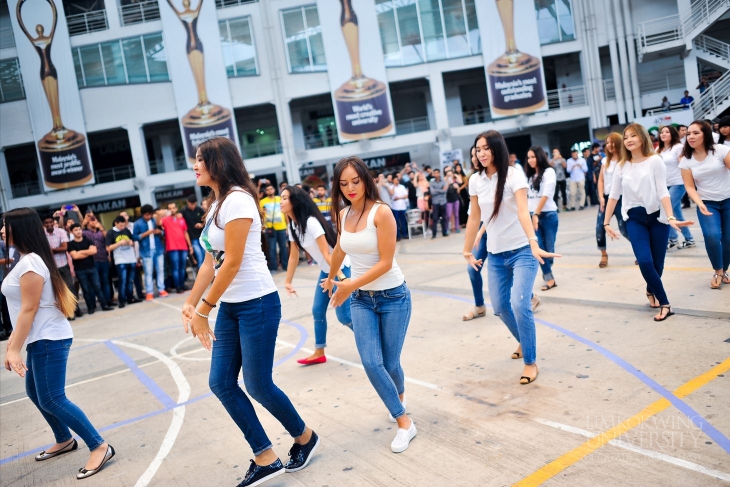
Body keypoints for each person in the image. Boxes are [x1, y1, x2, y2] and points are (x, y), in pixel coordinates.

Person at [185, 137, 318, 486]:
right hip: (231, 305)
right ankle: (265, 456)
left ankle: (304, 437)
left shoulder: (239, 201)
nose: (195, 166)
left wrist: (203, 310)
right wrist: (191, 302)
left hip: (257, 302)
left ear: (218, 163)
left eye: (200, 160)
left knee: (258, 384)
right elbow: (210, 263)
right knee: (221, 383)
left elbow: (232, 263)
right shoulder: (215, 205)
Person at [2, 208, 115, 480]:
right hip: (40, 338)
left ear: (21, 228)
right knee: (35, 393)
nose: (1, 231)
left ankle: (99, 445)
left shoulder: (30, 263)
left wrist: (12, 348)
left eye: (5, 225)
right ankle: (64, 438)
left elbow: (28, 309)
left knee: (52, 397)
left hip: (49, 338)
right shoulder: (27, 259)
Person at [323, 155, 416, 453]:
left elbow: (387, 263)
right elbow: (340, 247)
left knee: (390, 364)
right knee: (371, 362)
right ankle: (405, 422)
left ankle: (398, 397)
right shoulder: (342, 214)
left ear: (366, 179)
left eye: (355, 181)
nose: (350, 188)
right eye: (343, 183)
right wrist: (330, 277)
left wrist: (350, 283)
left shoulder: (382, 213)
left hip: (393, 298)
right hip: (362, 300)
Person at [462, 131, 559, 385]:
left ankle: (530, 361)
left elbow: (523, 212)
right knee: (501, 307)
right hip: (495, 255)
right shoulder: (475, 180)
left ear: (496, 149)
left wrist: (533, 243)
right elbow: (475, 216)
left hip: (522, 252)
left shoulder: (514, 175)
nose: (481, 153)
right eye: (477, 149)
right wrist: (466, 249)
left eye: (485, 148)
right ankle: (524, 339)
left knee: (519, 304)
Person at [604, 123, 693, 321]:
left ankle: (650, 289)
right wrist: (606, 222)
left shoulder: (655, 161)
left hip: (657, 218)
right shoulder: (621, 166)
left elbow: (663, 191)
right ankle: (665, 303)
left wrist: (671, 217)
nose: (628, 140)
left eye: (633, 135)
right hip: (634, 219)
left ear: (642, 138)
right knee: (645, 261)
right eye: (626, 136)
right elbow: (613, 196)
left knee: (658, 264)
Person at [282, 186, 353, 365]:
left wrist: (340, 279)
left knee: (344, 316)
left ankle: (372, 342)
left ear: (295, 201)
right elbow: (293, 255)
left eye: (284, 198)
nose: (280, 202)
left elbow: (328, 254)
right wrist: (288, 281)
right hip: (327, 270)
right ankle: (319, 352)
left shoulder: (311, 222)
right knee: (317, 310)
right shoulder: (293, 225)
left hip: (340, 268)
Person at [679, 120, 730, 289]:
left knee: (728, 239)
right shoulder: (686, 160)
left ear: (705, 134)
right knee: (712, 236)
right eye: (688, 134)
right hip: (707, 203)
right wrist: (699, 203)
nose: (691, 137)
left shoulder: (721, 151)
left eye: (695, 133)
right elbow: (689, 186)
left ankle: (723, 271)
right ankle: (718, 270)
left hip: (729, 200)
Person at [526, 146, 559, 291]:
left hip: (548, 215)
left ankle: (547, 266)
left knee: (549, 249)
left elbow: (547, 194)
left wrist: (536, 214)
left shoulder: (549, 172)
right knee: (539, 249)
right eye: (528, 157)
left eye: (533, 157)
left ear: (539, 157)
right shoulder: (529, 176)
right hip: (532, 216)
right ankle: (549, 278)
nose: (530, 160)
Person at [658, 125, 695, 249]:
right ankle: (689, 239)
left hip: (678, 183)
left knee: (665, 210)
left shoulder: (678, 147)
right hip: (664, 185)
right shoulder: (658, 149)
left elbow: (684, 164)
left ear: (672, 134)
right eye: (661, 132)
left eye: (666, 132)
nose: (663, 134)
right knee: (676, 213)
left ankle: (673, 239)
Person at [596, 133, 630, 268]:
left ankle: (640, 251)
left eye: (612, 142)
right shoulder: (605, 161)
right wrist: (600, 197)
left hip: (621, 198)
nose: (609, 145)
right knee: (599, 227)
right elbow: (601, 180)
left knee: (624, 229)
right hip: (606, 198)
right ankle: (604, 255)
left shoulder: (626, 160)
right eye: (607, 143)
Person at [463, 145, 489, 322]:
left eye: (478, 153)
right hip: (480, 230)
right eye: (473, 154)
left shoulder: (495, 178)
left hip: (490, 230)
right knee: (472, 269)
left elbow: (493, 213)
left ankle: (530, 298)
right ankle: (479, 306)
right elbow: (472, 215)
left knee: (505, 269)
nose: (476, 157)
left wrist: (479, 232)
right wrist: (469, 239)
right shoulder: (474, 180)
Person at [67, 224, 112, 314]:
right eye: (76, 230)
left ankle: (104, 305)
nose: (78, 231)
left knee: (98, 287)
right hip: (80, 269)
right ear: (71, 232)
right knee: (86, 289)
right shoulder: (70, 244)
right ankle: (90, 307)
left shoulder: (88, 241)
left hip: (92, 267)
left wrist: (80, 252)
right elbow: (75, 256)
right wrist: (87, 251)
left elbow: (94, 251)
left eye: (79, 229)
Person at [42, 215, 80, 319]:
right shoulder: (41, 235)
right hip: (51, 267)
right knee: (58, 291)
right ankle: (67, 312)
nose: (49, 224)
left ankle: (76, 310)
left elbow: (65, 247)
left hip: (63, 264)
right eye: (46, 223)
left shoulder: (61, 232)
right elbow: (43, 251)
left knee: (70, 287)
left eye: (51, 222)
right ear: (43, 224)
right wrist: (52, 250)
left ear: (54, 222)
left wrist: (51, 250)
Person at [133, 204, 168, 301]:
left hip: (158, 249)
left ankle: (161, 289)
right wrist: (146, 234)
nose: (148, 216)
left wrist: (159, 232)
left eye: (150, 214)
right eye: (146, 215)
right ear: (143, 214)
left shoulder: (154, 220)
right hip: (146, 251)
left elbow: (163, 231)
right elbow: (134, 237)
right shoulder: (138, 223)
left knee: (160, 269)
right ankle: (149, 292)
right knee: (148, 272)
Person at [105, 216, 138, 308]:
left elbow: (132, 241)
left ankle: (130, 297)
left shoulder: (126, 230)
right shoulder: (111, 232)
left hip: (130, 258)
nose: (122, 227)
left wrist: (131, 242)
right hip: (120, 259)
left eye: (124, 225)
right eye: (120, 226)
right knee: (122, 280)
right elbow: (108, 248)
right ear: (116, 223)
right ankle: (121, 300)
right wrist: (119, 243)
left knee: (130, 280)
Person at [81, 212, 113, 306]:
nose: (93, 222)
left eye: (94, 220)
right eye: (91, 221)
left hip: (103, 259)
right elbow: (78, 233)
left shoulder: (100, 232)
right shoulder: (85, 233)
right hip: (92, 261)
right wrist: (84, 222)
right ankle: (94, 303)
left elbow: (108, 239)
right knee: (95, 284)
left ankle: (108, 301)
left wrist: (102, 228)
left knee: (105, 281)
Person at [161, 202, 193, 293]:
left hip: (183, 246)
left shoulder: (181, 218)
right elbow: (159, 223)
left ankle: (182, 285)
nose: (172, 210)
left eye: (173, 208)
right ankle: (178, 286)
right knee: (175, 267)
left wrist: (189, 245)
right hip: (172, 247)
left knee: (182, 267)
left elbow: (185, 232)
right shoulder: (165, 219)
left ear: (176, 208)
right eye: (170, 208)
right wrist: (163, 213)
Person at [260, 184, 289, 272]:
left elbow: (285, 213)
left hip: (282, 227)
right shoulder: (262, 202)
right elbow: (261, 215)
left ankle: (285, 265)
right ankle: (273, 267)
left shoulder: (279, 199)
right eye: (267, 189)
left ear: (274, 189)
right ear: (265, 191)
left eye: (271, 188)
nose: (269, 191)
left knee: (283, 247)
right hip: (269, 228)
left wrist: (288, 226)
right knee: (272, 248)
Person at [181, 194, 206, 270]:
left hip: (202, 236)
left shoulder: (199, 210)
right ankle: (201, 273)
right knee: (199, 256)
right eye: (191, 204)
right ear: (187, 202)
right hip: (193, 238)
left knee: (205, 255)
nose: (193, 206)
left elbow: (206, 219)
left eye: (194, 204)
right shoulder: (184, 211)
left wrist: (201, 225)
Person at [429, 169, 448, 238]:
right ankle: (434, 234)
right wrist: (441, 190)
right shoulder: (432, 182)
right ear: (433, 174)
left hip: (443, 201)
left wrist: (436, 190)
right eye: (435, 173)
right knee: (435, 218)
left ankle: (444, 232)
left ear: (439, 173)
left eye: (437, 173)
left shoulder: (443, 181)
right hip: (435, 202)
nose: (436, 174)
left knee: (444, 218)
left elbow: (445, 191)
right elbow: (432, 192)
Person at [391, 176, 409, 240]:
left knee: (403, 221)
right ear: (393, 180)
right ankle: (398, 236)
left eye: (398, 180)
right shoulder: (391, 187)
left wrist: (399, 197)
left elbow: (406, 196)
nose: (397, 181)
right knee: (396, 222)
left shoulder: (402, 186)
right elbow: (391, 194)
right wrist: (393, 186)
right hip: (395, 207)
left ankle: (405, 234)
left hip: (403, 206)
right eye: (395, 180)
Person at [444, 168, 461, 233]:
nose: (449, 176)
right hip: (448, 200)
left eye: (450, 175)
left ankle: (457, 227)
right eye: (448, 175)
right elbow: (444, 191)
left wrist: (457, 188)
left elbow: (458, 192)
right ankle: (447, 228)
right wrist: (448, 183)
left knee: (456, 214)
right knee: (448, 215)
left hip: (455, 199)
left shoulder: (455, 181)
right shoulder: (445, 182)